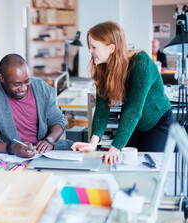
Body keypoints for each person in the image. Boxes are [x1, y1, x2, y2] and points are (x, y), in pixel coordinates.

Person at [71, 21, 173, 164]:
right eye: (90, 46)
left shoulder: (141, 62)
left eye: (94, 47)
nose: (90, 51)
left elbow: (134, 109)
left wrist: (115, 148)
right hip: (135, 123)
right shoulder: (103, 67)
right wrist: (93, 143)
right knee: (123, 163)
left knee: (150, 165)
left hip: (157, 121)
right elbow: (102, 109)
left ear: (112, 48)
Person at [0, 53, 72, 158]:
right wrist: (12, 148)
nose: (23, 88)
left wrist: (49, 141)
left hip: (49, 152)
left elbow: (58, 120)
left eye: (27, 81)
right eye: (17, 84)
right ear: (2, 78)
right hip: (15, 157)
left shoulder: (41, 88)